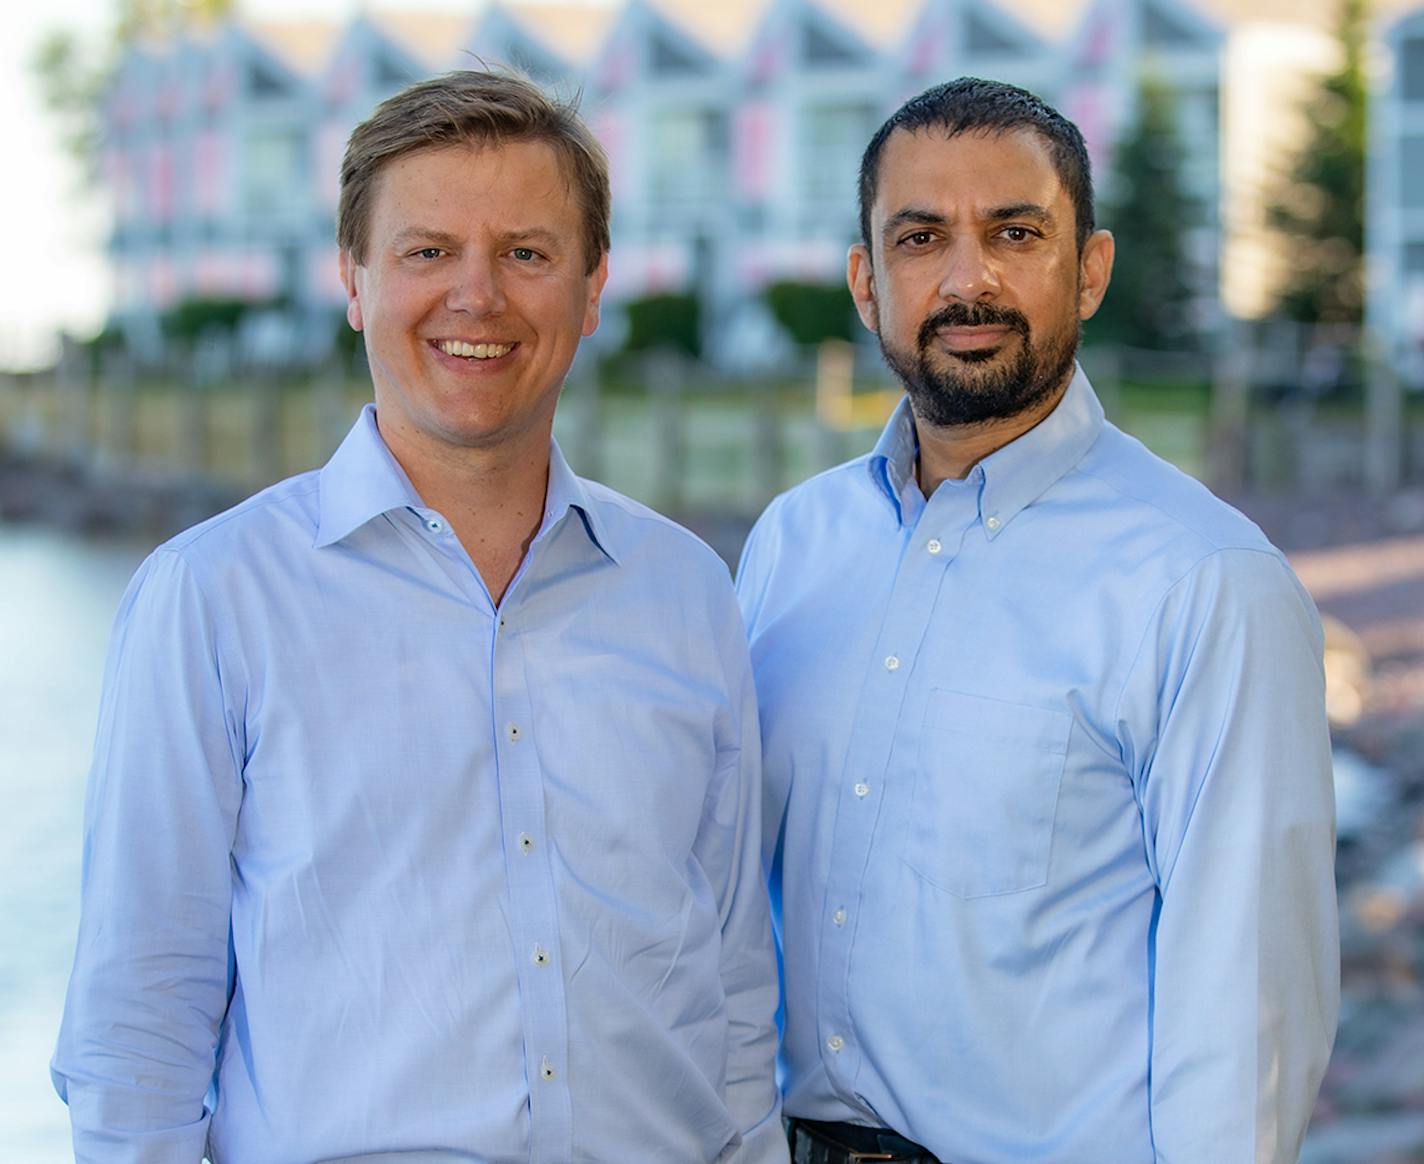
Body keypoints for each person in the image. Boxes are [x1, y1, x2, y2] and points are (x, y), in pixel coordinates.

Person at [53, 70, 785, 1164]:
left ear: (591, 291)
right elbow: (137, 1031)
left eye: (526, 254)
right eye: (426, 251)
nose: (476, 297)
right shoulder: (210, 599)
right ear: (354, 280)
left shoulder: (686, 593)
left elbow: (729, 988)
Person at [736, 77, 1338, 1164]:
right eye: (920, 238)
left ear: (1089, 269)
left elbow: (1246, 1008)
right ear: (866, 283)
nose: (968, 280)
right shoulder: (790, 546)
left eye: (1014, 232)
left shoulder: (1202, 581)